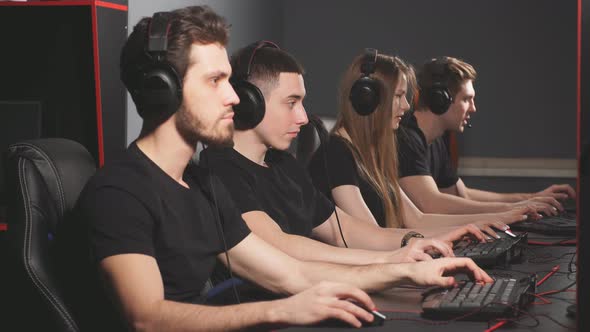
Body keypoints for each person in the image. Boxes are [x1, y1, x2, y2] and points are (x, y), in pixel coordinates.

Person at [57, 7, 492, 331]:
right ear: (161, 92)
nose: (233, 97)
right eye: (214, 81)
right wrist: (279, 310)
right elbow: (146, 317)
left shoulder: (198, 185)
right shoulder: (120, 191)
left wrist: (405, 268)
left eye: (230, 79)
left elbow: (290, 272)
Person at [199, 41, 500, 275]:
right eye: (291, 103)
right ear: (249, 103)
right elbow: (282, 246)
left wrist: (421, 241)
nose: (303, 117)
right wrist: (391, 259)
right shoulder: (220, 170)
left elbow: (345, 230)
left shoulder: (284, 166)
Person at [307, 51, 535, 236]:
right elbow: (372, 235)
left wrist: (489, 220)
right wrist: (449, 235)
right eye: (398, 96)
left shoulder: (373, 154)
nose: (406, 106)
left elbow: (417, 219)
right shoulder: (337, 153)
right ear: (368, 100)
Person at [395, 56, 575, 215]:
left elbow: (460, 195)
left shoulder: (437, 139)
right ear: (439, 99)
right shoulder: (406, 138)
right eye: (466, 99)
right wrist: (514, 208)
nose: (473, 108)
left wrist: (530, 198)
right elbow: (431, 204)